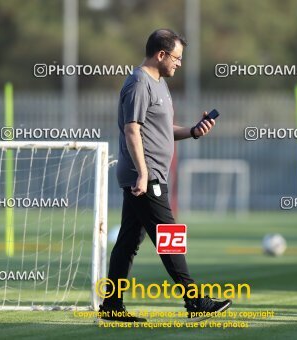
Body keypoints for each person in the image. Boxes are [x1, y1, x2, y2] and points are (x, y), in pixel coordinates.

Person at [99, 28, 231, 322]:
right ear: (161, 55)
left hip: (150, 175)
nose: (179, 63)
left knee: (128, 242)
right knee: (169, 237)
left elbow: (162, 130)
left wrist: (194, 131)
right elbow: (131, 129)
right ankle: (195, 302)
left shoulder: (159, 84)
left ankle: (111, 305)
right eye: (176, 57)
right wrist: (143, 174)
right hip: (144, 176)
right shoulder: (138, 83)